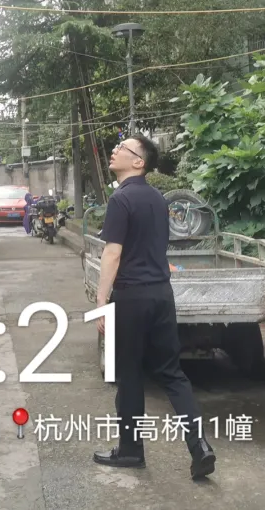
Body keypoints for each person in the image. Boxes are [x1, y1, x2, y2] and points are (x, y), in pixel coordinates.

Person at [92, 134, 216, 479]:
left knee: (130, 375)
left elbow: (112, 253)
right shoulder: (159, 200)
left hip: (131, 297)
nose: (114, 150)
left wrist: (101, 301)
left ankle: (131, 451)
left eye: (123, 148)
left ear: (139, 162)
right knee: (172, 373)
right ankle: (200, 447)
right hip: (162, 295)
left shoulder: (121, 199)